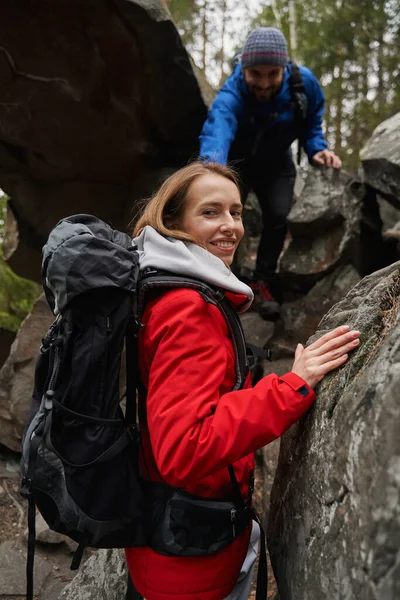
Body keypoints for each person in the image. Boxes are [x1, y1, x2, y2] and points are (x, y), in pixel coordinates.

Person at [124, 161, 359, 600]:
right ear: (173, 223)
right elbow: (184, 448)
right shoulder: (186, 308)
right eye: (210, 212)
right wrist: (291, 386)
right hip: (189, 561)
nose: (230, 226)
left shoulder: (162, 290)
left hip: (174, 543)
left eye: (236, 212)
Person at [199, 27, 342, 320]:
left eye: (272, 74)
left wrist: (317, 149)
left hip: (278, 164)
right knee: (220, 215)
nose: (263, 84)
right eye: (255, 74)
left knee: (278, 216)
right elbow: (218, 130)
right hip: (236, 164)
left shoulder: (305, 85)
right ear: (244, 68)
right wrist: (212, 170)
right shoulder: (233, 92)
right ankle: (216, 278)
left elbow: (313, 123)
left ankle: (261, 280)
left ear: (284, 68)